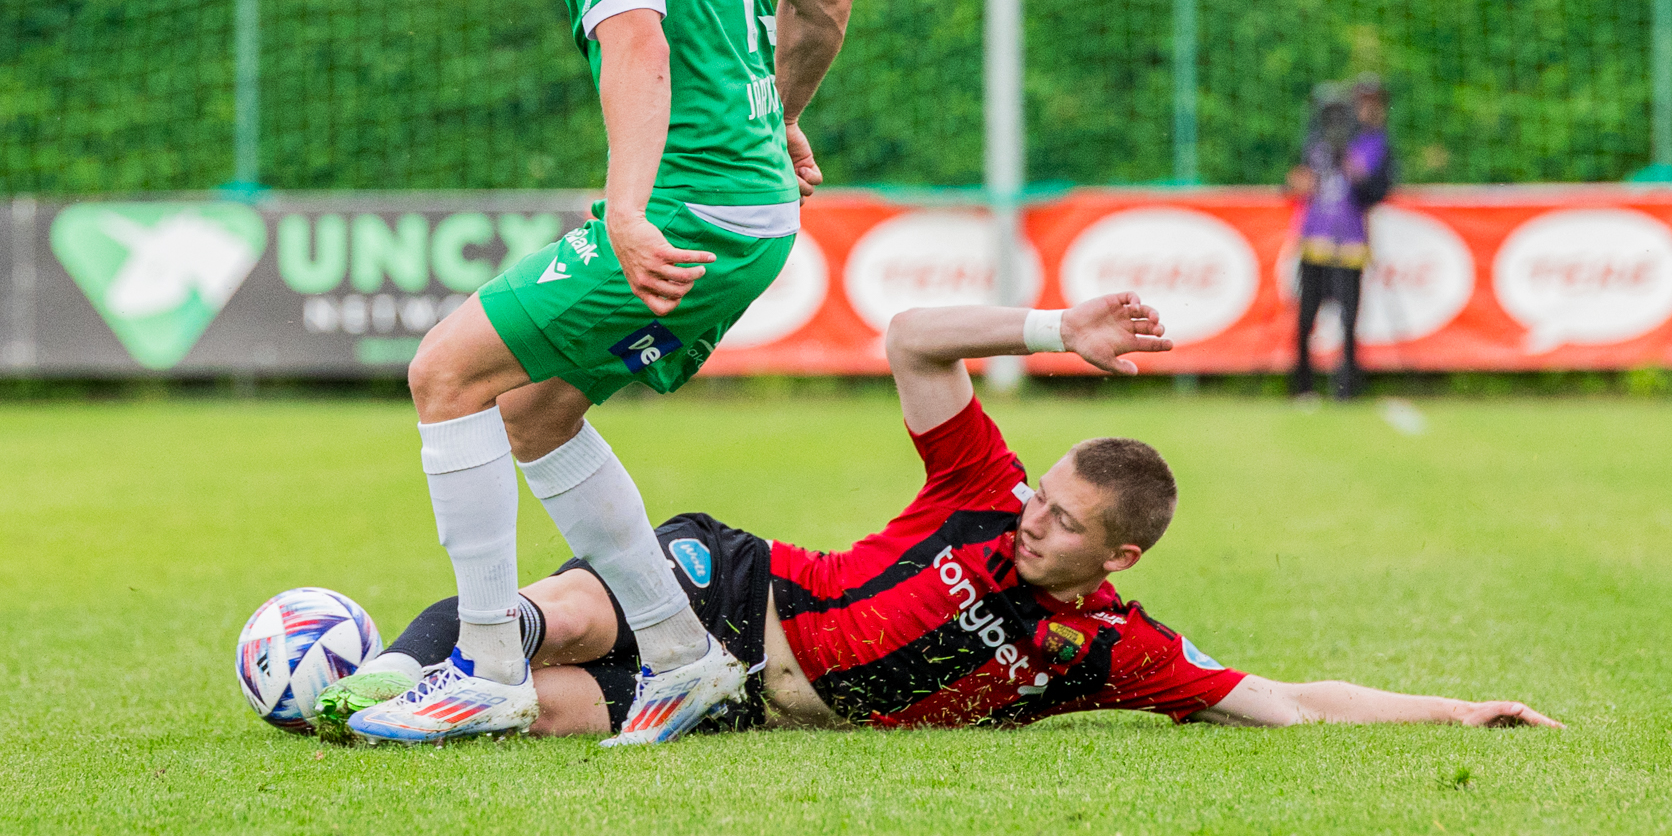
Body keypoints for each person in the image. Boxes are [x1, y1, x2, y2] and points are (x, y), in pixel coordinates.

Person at [324, 296, 1557, 739]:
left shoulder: (1106, 653)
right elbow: (910, 339)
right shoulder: (979, 487)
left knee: (529, 728)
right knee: (547, 626)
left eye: (1062, 524)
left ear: (1115, 560)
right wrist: (1050, 332)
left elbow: (1281, 700)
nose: (1030, 520)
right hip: (732, 588)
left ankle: (365, 700)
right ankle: (353, 672)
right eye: (1039, 493)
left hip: (742, 700)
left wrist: (1457, 708)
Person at [348, 0, 858, 747]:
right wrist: (777, 119)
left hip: (688, 209)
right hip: (753, 210)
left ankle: (485, 666)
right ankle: (682, 659)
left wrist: (626, 207)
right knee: (533, 410)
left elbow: (636, 43)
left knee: (444, 373)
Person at [1287, 77, 1395, 401]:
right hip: (1315, 240)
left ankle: (1347, 387)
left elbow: (1375, 191)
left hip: (1350, 242)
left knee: (1349, 319)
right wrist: (1303, 179)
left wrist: (1351, 165)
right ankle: (1302, 385)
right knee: (1306, 317)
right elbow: (1293, 184)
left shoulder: (1372, 144)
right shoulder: (1314, 143)